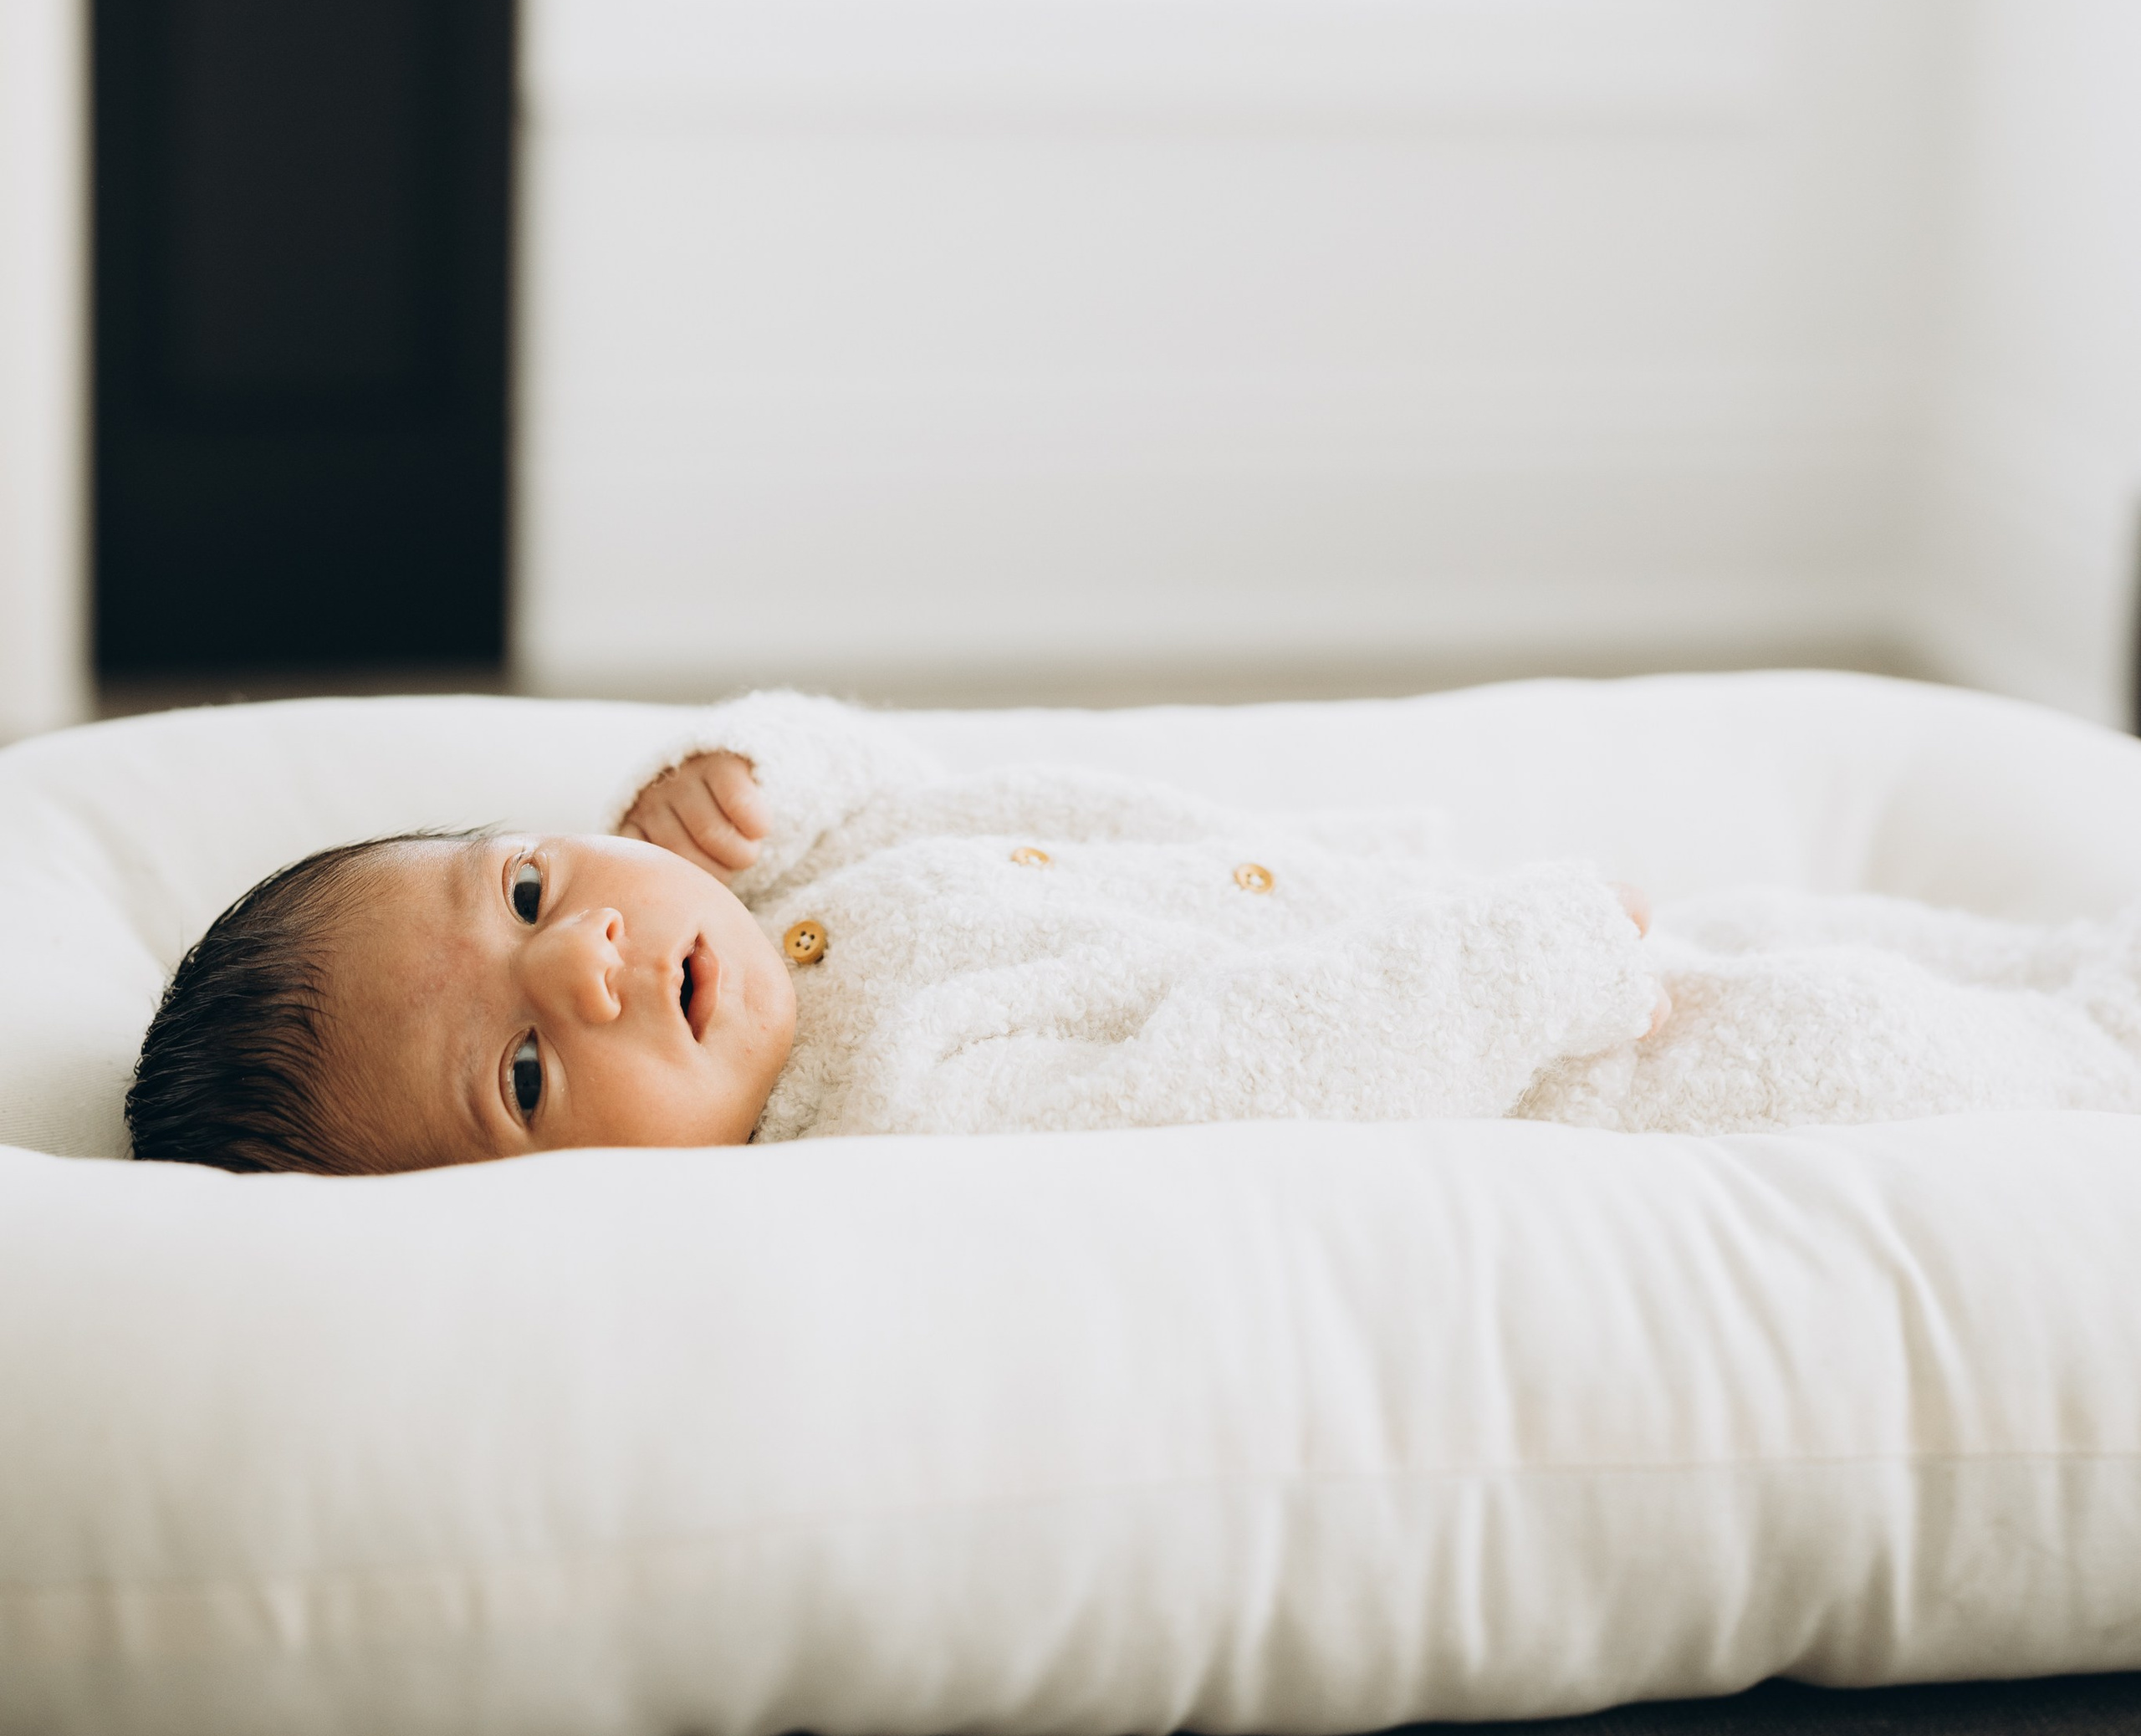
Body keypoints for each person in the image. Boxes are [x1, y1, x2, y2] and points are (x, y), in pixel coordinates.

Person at [124, 692, 2141, 1174]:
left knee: (1903, 937)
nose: (577, 963)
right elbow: (1233, 1095)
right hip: (1579, 1049)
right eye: (528, 1074)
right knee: (1897, 1050)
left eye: (535, 890)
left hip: (1531, 915)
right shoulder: (886, 1123)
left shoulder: (781, 898)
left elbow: (886, 763)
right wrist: (1512, 965)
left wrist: (752, 774)